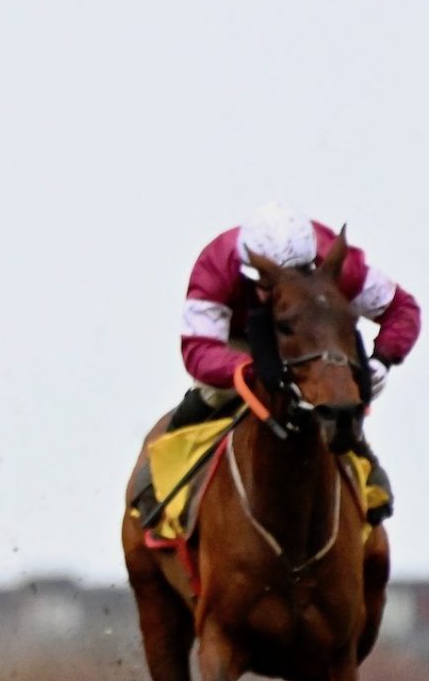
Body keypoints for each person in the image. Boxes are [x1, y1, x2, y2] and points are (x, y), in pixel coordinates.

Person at [168, 202, 418, 519]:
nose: (270, 293)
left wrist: (382, 358)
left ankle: (364, 468)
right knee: (215, 392)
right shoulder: (216, 265)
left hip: (311, 332)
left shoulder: (341, 264)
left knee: (338, 392)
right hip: (240, 339)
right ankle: (160, 478)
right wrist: (251, 370)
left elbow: (402, 310)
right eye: (262, 283)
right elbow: (198, 349)